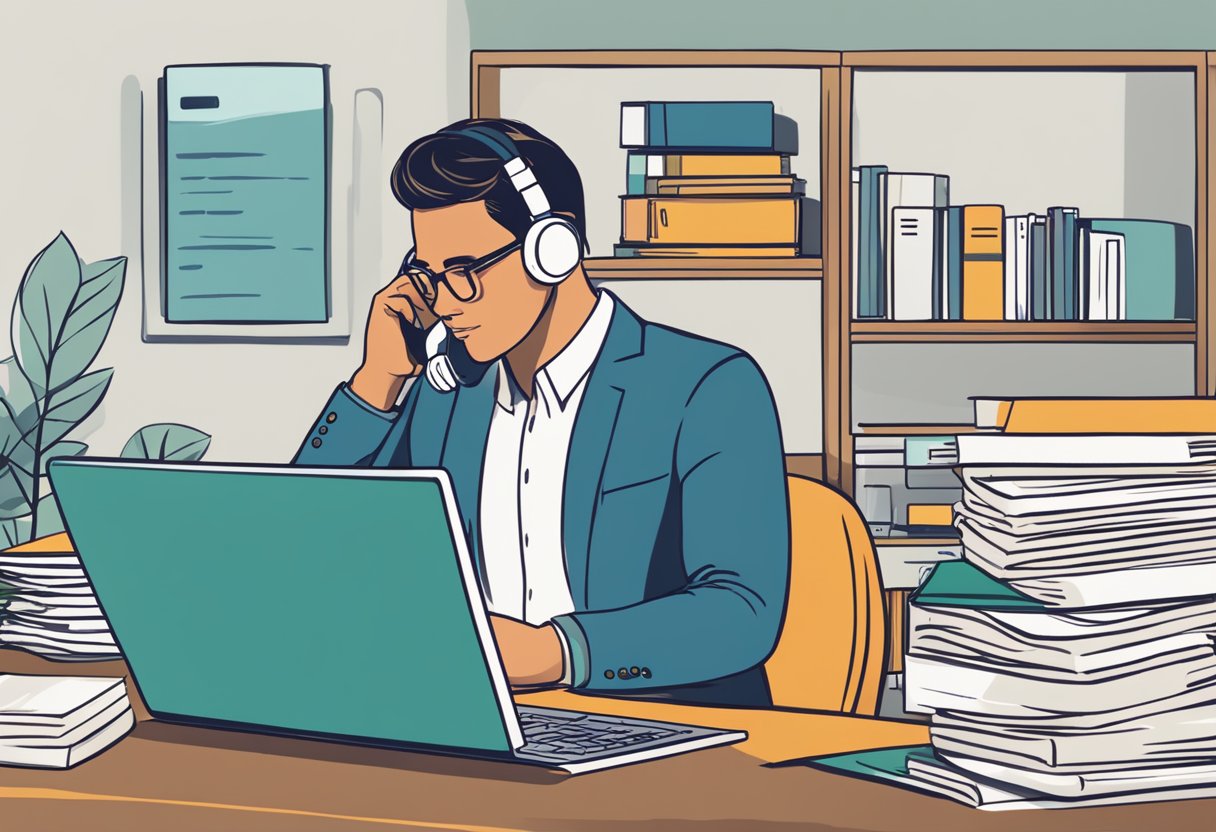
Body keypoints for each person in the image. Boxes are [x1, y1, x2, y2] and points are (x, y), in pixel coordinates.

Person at [294, 118, 790, 707]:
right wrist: (378, 381)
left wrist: (555, 653)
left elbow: (741, 610)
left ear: (552, 248)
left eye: (464, 271)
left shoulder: (707, 387)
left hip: (675, 733)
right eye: (429, 275)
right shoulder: (448, 393)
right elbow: (312, 546)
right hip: (484, 721)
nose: (446, 302)